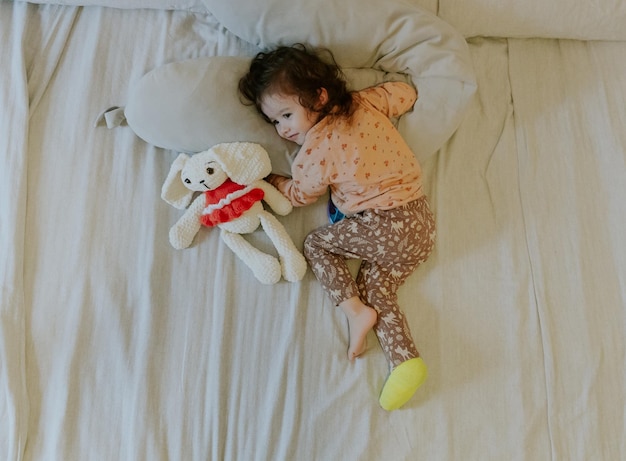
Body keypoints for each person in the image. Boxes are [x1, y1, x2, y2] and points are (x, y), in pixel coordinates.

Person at [238, 44, 436, 411]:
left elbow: (300, 195)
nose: (282, 131)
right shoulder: (365, 102)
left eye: (286, 115)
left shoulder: (314, 151)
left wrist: (271, 178)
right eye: (274, 122)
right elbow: (404, 94)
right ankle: (406, 361)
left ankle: (354, 312)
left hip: (386, 223)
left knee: (316, 245)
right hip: (421, 223)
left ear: (320, 97)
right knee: (376, 286)